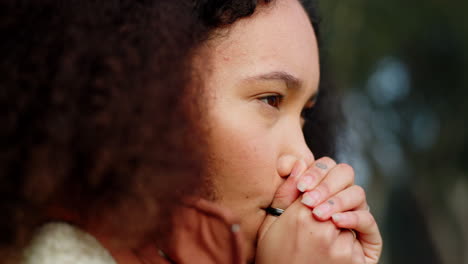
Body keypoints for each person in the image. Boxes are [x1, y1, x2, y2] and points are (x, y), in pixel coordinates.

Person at [0, 0, 382, 263]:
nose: (306, 158)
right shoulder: (61, 253)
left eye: (304, 117)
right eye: (271, 99)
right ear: (154, 91)